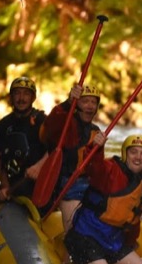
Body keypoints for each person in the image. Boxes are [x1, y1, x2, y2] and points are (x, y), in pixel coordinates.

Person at [64, 134, 142, 264]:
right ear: (125, 154)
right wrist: (96, 148)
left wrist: (130, 243)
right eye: (133, 152)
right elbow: (93, 167)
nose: (138, 157)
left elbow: (133, 221)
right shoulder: (111, 169)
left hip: (112, 242)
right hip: (85, 238)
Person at [40, 83, 103, 230]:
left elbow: (97, 169)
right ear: (77, 104)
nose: (89, 106)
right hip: (65, 185)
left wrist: (97, 150)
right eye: (85, 101)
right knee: (77, 227)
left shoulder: (96, 132)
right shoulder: (66, 123)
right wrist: (68, 103)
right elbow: (50, 125)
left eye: (93, 102)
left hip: (86, 185)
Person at [0, 76, 48, 201]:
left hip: (38, 182)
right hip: (14, 183)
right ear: (11, 97)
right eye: (17, 93)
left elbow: (55, 150)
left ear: (32, 98)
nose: (21, 98)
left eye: (26, 94)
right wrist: (5, 185)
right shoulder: (4, 124)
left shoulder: (42, 121)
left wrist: (38, 167)